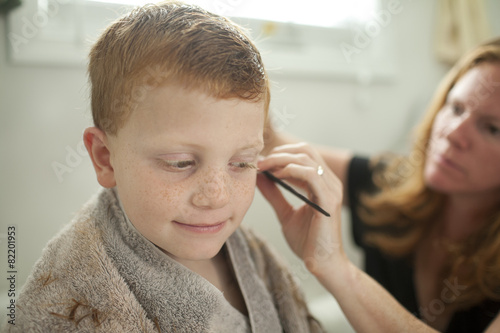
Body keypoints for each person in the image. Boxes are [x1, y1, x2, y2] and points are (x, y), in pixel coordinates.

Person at [5, 2, 325, 332]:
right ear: (105, 157)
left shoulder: (254, 256)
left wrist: (333, 266)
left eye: (242, 162)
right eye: (180, 163)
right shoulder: (70, 302)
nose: (216, 196)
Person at [258, 38, 500, 332]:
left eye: (492, 128)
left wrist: (336, 267)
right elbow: (269, 141)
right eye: (457, 108)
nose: (453, 133)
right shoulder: (390, 182)